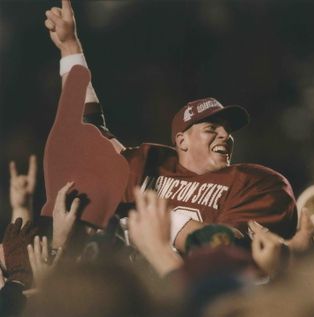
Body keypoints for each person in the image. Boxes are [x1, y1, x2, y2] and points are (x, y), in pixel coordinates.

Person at [44, 0, 297, 252]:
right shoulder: (149, 165)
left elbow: (230, 248)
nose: (225, 135)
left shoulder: (256, 183)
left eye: (227, 130)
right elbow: (86, 127)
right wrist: (70, 47)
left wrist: (158, 224)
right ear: (181, 141)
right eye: (211, 128)